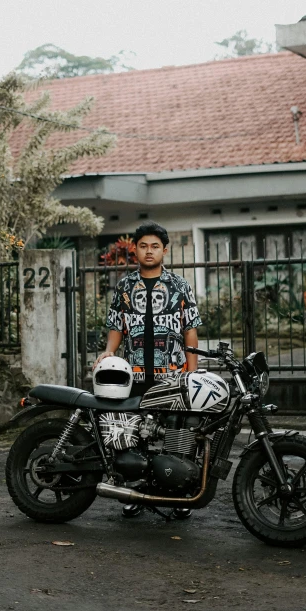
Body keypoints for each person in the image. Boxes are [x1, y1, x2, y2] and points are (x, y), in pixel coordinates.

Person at [93, 221, 203, 519]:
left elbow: (190, 330)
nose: (149, 251)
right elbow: (118, 325)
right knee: (133, 433)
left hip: (173, 374)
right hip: (136, 375)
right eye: (143, 246)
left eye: (155, 246)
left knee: (178, 431)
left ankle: (179, 495)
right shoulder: (125, 286)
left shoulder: (180, 286)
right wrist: (109, 351)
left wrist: (191, 373)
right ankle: (133, 491)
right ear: (135, 250)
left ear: (164, 251)